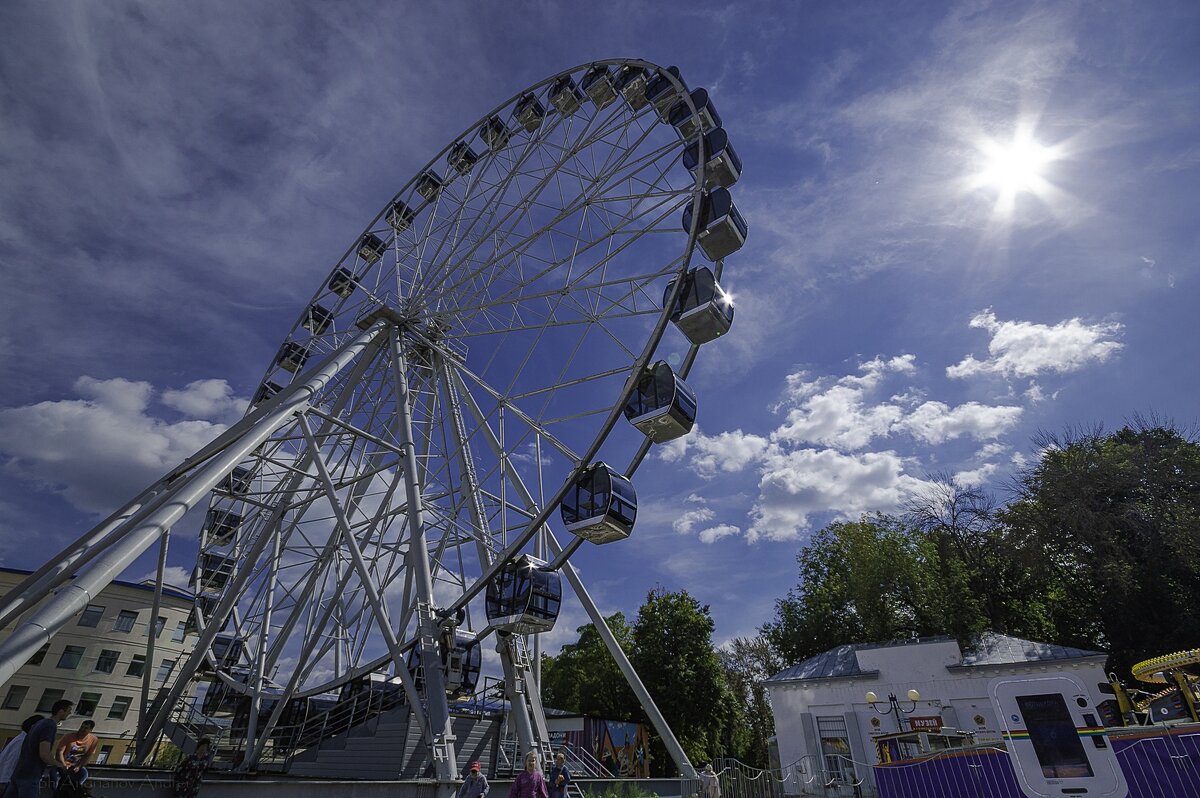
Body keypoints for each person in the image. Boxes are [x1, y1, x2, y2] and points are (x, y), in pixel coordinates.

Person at [9, 699, 73, 798]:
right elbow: (44, 754)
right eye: (68, 711)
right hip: (31, 775)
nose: (70, 713)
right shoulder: (50, 726)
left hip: (19, 772)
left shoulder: (40, 723)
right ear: (61, 711)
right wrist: (59, 765)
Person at [0, 716, 43, 797]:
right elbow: (11, 761)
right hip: (7, 781)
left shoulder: (23, 739)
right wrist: (4, 781)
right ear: (33, 727)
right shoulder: (22, 741)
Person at [53, 720, 98, 787]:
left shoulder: (93, 740)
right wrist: (63, 765)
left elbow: (87, 756)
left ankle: (76, 790)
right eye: (81, 727)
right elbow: (59, 752)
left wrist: (79, 766)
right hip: (62, 764)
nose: (82, 729)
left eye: (85, 728)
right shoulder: (68, 736)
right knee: (55, 777)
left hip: (76, 765)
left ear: (90, 730)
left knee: (84, 774)